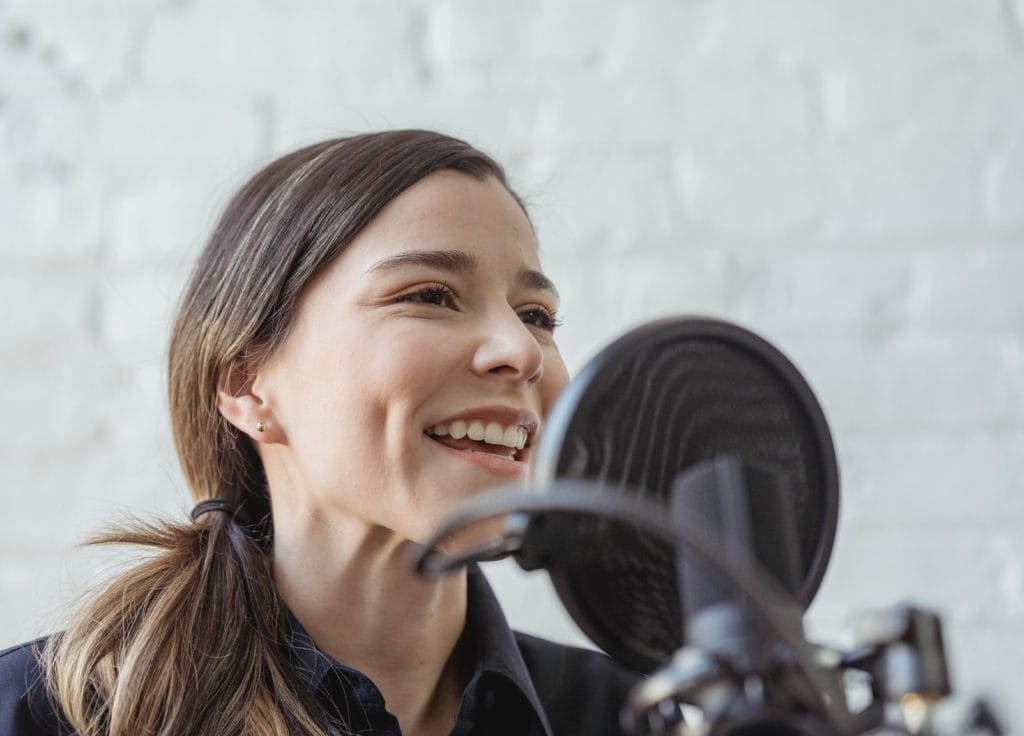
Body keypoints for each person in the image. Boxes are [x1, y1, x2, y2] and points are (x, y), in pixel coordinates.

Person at [0, 130, 640, 735]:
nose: (521, 351)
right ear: (248, 383)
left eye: (536, 315)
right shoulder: (35, 715)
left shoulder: (635, 717)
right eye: (431, 295)